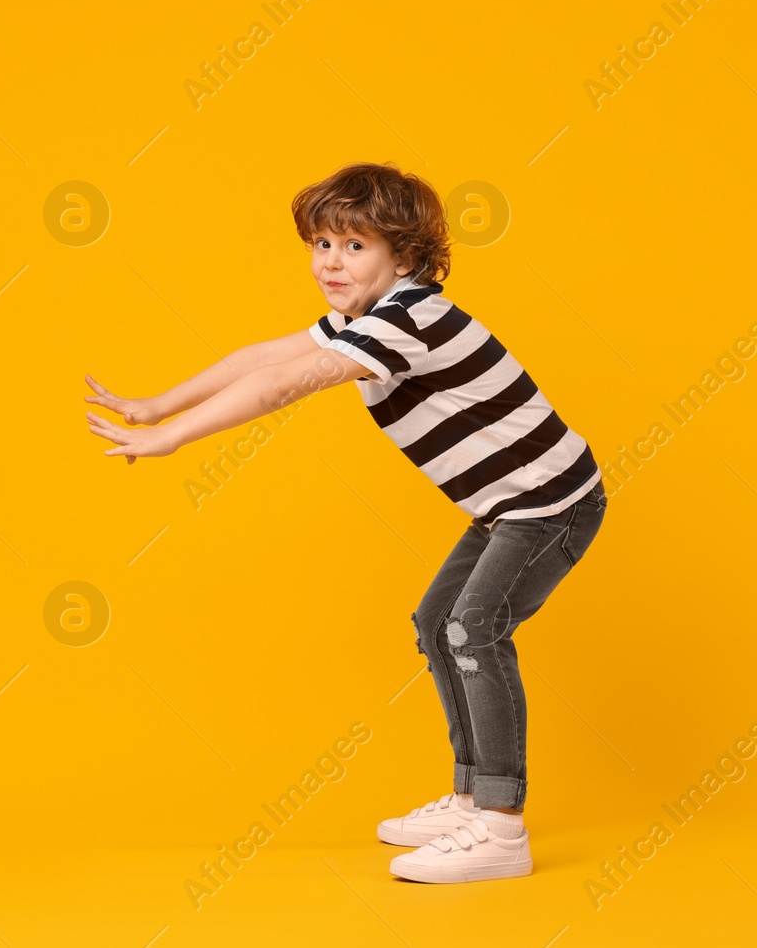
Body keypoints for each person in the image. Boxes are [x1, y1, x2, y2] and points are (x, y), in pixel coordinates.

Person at [84, 161, 607, 884]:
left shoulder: (410, 320)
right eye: (321, 243)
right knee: (436, 621)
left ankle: (501, 826)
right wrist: (155, 404)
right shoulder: (368, 317)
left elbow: (282, 383)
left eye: (355, 246)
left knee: (472, 628)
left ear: (408, 255)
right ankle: (468, 796)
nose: (331, 261)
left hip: (551, 502)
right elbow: (267, 354)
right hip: (507, 504)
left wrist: (173, 439)